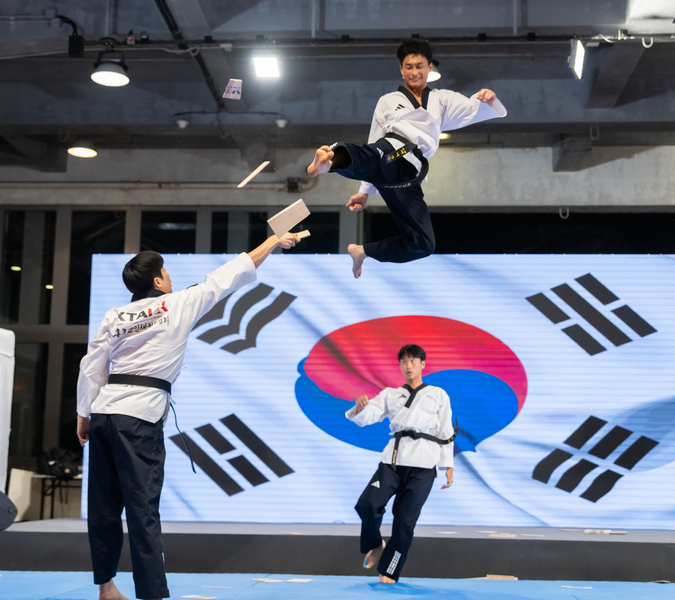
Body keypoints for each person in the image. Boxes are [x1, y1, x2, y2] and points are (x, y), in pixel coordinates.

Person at [76, 232, 300, 600]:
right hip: (139, 416)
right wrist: (273, 240)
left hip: (104, 412)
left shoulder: (114, 315)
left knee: (103, 507)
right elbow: (231, 273)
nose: (171, 278)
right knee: (142, 508)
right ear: (158, 280)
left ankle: (106, 588)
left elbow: (92, 367)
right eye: (166, 272)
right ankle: (151, 594)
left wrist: (84, 415)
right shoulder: (176, 303)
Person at [306, 37, 507, 278]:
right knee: (369, 155)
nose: (414, 72)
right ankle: (328, 161)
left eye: (419, 66)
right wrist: (365, 191)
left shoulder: (443, 99)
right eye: (409, 67)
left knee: (423, 244)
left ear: (430, 67)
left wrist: (489, 99)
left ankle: (362, 251)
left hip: (409, 177)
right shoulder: (388, 101)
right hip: (391, 151)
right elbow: (374, 139)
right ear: (401, 69)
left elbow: (474, 109)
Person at [347, 344, 456, 584]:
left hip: (424, 463)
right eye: (404, 361)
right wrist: (359, 408)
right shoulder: (390, 394)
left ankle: (390, 569)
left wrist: (448, 465)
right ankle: (375, 544)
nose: (408, 366)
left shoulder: (438, 394)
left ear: (423, 364)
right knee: (367, 504)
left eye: (413, 361)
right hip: (393, 461)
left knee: (405, 521)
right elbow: (366, 417)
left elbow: (446, 431)